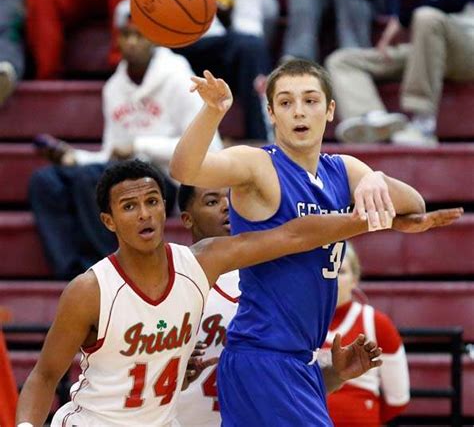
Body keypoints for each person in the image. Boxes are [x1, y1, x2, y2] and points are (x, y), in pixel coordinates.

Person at [16, 160, 460, 426]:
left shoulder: (203, 266)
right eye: (129, 206)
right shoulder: (91, 289)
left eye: (151, 201)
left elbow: (294, 235)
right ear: (109, 221)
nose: (144, 214)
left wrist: (378, 219)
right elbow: (43, 376)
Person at [168, 58, 457, 425]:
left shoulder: (342, 169)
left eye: (310, 100)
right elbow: (184, 170)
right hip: (264, 356)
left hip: (300, 361)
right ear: (271, 113)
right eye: (286, 103)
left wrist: (373, 177)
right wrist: (212, 112)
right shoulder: (258, 165)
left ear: (330, 109)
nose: (299, 112)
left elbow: (413, 204)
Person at [28, 0, 222, 280]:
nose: (131, 43)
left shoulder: (179, 76)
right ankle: (74, 273)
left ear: (154, 40)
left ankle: (115, 272)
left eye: (139, 36)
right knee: (44, 182)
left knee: (91, 180)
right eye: (126, 35)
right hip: (121, 173)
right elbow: (111, 154)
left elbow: (209, 147)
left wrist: (140, 146)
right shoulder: (113, 88)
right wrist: (74, 157)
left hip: (166, 179)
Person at [270, 0, 474, 144]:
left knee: (427, 17)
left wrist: (403, 19)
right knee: (342, 60)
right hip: (429, 50)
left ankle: (423, 125)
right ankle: (371, 117)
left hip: (467, 46)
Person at [131, 0, 272, 140]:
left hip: (218, 43)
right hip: (166, 44)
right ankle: (148, 141)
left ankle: (261, 139)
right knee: (142, 49)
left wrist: (221, 16)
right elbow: (135, 6)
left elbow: (250, 23)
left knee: (253, 48)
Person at [320, 242, 410, 426]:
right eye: (328, 271)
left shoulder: (377, 323)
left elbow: (398, 399)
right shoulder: (296, 322)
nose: (333, 278)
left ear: (355, 279)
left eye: (341, 271)